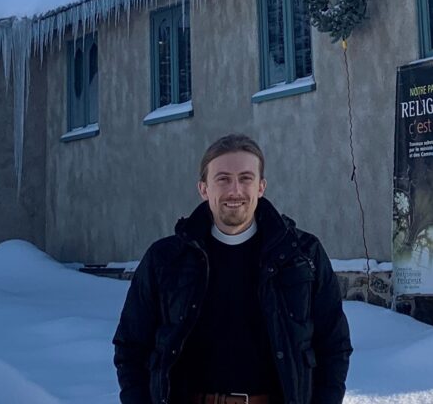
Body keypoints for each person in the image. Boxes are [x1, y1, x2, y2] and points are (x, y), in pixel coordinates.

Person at [114, 133, 352, 404]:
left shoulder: (302, 255)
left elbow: (334, 346)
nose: (235, 191)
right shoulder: (166, 260)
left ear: (261, 186)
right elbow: (130, 347)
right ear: (204, 189)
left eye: (245, 178)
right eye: (223, 179)